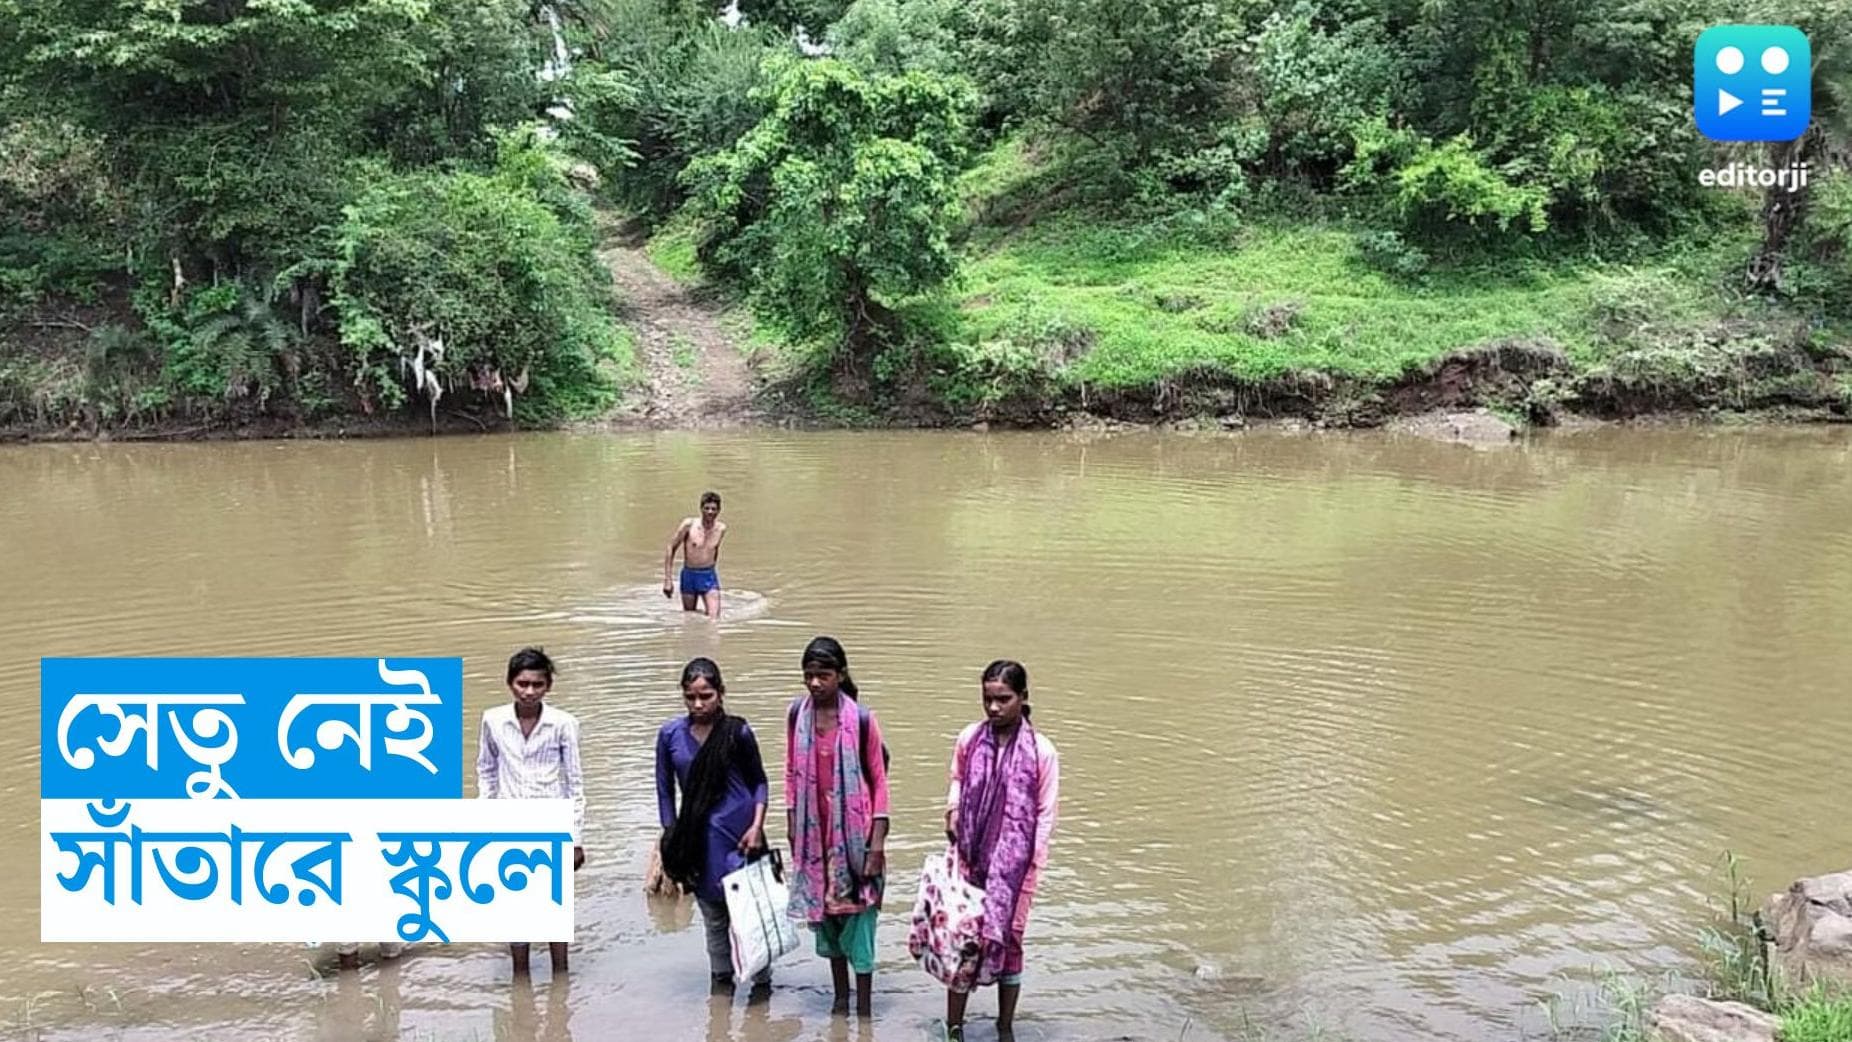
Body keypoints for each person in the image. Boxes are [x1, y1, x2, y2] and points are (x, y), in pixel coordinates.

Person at [942, 660, 1059, 1042]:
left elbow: (1045, 814)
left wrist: (1028, 868)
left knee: (1010, 941)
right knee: (964, 939)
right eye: (988, 699)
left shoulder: (1042, 752)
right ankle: (953, 1028)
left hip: (1017, 869)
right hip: (970, 859)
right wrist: (954, 811)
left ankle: (1004, 1027)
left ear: (1023, 698)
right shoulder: (970, 739)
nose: (994, 708)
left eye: (1003, 699)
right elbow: (958, 780)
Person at [655, 657, 774, 997]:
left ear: (720, 694)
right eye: (691, 697)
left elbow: (759, 784)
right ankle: (720, 993)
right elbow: (665, 790)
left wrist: (757, 826)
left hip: (740, 840)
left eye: (706, 696)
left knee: (751, 918)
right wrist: (670, 835)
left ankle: (762, 993)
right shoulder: (669, 736)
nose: (698, 704)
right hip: (698, 842)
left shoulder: (737, 732)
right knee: (714, 919)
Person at [785, 636, 890, 1017]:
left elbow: (879, 781)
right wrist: (792, 821)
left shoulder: (861, 720)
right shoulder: (797, 715)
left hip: (856, 839)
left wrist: (875, 845)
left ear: (840, 675)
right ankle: (839, 1000)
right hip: (815, 839)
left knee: (859, 920)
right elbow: (790, 772)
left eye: (823, 675)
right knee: (828, 921)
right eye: (809, 676)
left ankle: (863, 1009)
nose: (815, 683)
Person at [475, 646, 587, 976]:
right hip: (509, 823)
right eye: (522, 684)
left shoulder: (563, 724)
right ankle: (520, 981)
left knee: (555, 908)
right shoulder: (493, 720)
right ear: (510, 683)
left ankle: (560, 982)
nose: (529, 692)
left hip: (553, 823)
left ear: (548, 686)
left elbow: (575, 783)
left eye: (537, 685)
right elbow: (486, 769)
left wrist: (576, 839)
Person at [663, 491, 728, 619]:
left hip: (708, 576)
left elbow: (714, 551)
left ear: (719, 511)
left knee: (714, 618)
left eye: (714, 509)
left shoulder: (721, 529)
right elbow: (671, 548)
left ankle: (711, 638)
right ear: (701, 509)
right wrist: (668, 579)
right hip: (689, 575)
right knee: (690, 617)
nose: (710, 512)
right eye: (707, 508)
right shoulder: (689, 525)